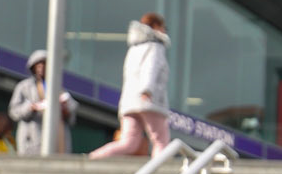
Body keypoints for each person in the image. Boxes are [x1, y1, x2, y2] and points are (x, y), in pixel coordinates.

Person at [89, 16, 172, 161]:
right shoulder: (155, 47)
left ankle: (94, 157)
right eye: (163, 27)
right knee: (161, 141)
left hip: (129, 102)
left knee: (129, 143)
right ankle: (159, 169)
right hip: (149, 100)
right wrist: (147, 90)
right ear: (155, 26)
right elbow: (150, 69)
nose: (165, 30)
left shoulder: (134, 49)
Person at [9, 48, 78, 155]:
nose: (41, 69)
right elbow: (14, 111)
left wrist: (65, 109)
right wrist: (31, 107)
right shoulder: (24, 87)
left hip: (55, 142)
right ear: (33, 67)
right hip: (32, 140)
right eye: (38, 66)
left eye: (45, 65)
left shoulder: (58, 88)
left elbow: (72, 112)